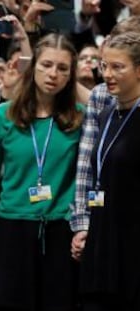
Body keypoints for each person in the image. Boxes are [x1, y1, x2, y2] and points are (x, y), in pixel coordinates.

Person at [0, 33, 84, 311]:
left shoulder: (81, 117)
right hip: (12, 228)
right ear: (33, 67)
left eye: (63, 68)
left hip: (61, 229)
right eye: (47, 65)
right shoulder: (0, 117)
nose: (54, 74)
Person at [78, 31, 140, 311]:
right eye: (104, 65)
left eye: (118, 67)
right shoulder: (105, 115)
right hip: (101, 239)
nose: (108, 74)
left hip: (132, 247)